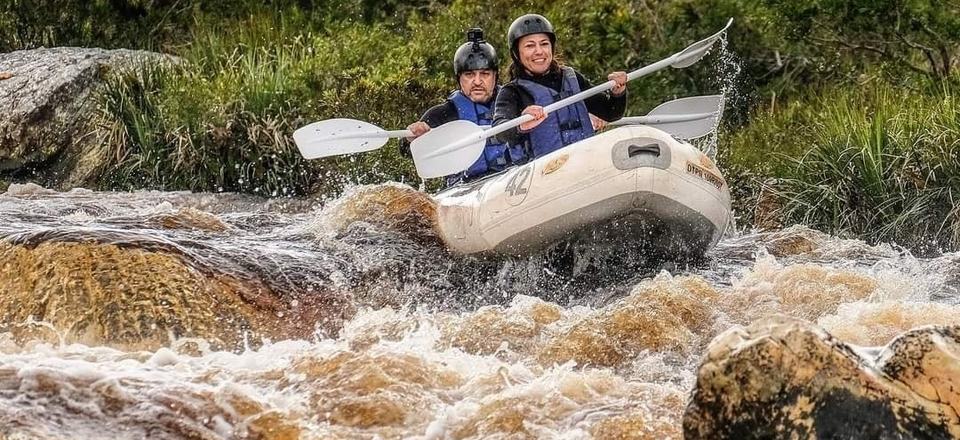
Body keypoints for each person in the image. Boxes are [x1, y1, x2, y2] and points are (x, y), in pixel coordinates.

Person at [492, 13, 628, 160]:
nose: (539, 51)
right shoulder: (512, 92)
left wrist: (618, 92)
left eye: (544, 44)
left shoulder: (572, 78)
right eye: (530, 46)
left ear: (552, 48)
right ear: (517, 53)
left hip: (586, 159)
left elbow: (611, 113)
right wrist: (520, 124)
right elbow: (500, 131)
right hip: (544, 172)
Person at [400, 28, 521, 187]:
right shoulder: (446, 112)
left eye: (484, 74)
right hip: (467, 188)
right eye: (469, 75)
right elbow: (405, 149)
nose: (477, 81)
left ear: (495, 76)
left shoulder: (513, 99)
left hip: (514, 177)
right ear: (459, 78)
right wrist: (411, 137)